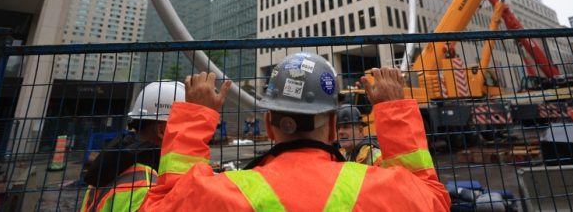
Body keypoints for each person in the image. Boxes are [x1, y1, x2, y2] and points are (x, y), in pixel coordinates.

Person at [141, 52, 450, 211]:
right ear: (332, 125)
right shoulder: (380, 189)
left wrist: (196, 115)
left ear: (268, 126)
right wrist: (394, 110)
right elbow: (433, 200)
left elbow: (162, 205)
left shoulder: (227, 193)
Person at [80, 81, 185, 212]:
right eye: (186, 127)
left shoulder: (113, 164)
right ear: (162, 131)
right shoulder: (147, 183)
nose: (190, 135)